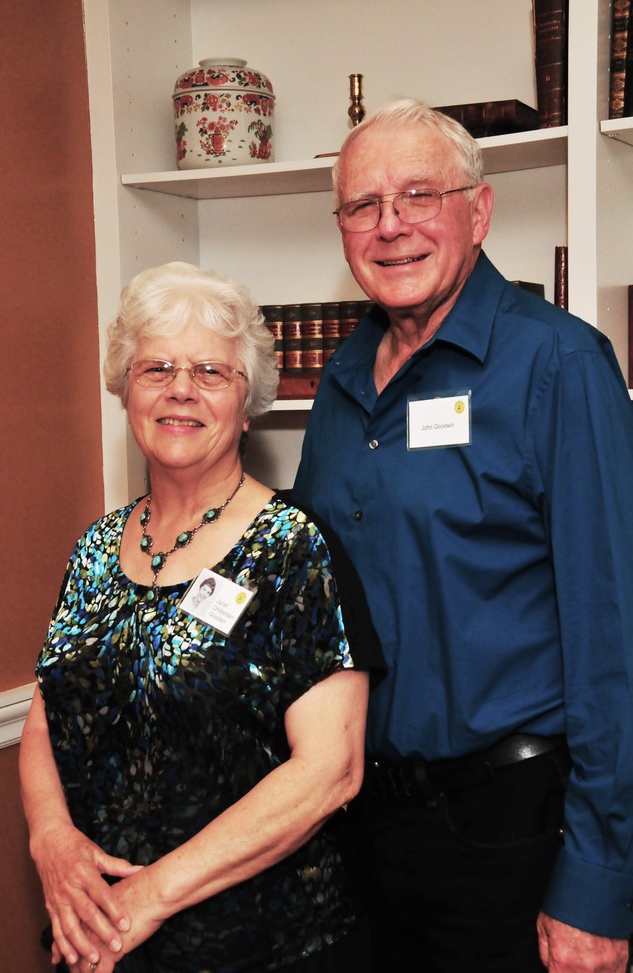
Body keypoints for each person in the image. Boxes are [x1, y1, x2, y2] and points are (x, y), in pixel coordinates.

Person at [292, 98, 633, 973]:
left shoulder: (559, 364)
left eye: (418, 195)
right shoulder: (339, 383)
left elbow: (615, 636)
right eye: (362, 205)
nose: (390, 225)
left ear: (478, 212)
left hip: (513, 831)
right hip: (360, 830)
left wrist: (598, 882)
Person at [19, 262, 382, 973]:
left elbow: (330, 771)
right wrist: (51, 841)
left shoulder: (294, 550)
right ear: (127, 391)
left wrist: (145, 899)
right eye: (156, 368)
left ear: (248, 405)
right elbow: (44, 716)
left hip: (261, 948)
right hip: (99, 939)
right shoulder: (95, 548)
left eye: (211, 371)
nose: (180, 389)